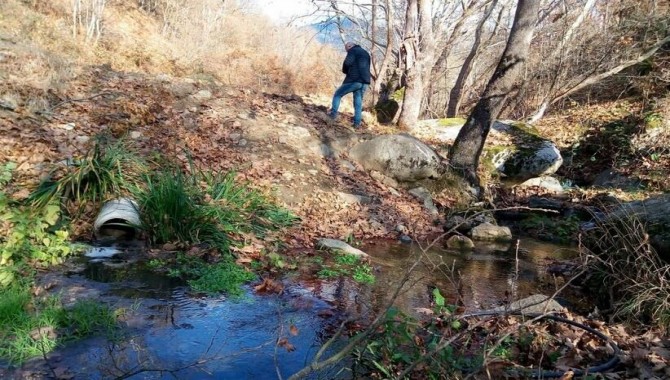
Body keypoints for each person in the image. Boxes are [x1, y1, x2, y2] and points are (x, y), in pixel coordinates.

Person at [329, 41, 371, 129]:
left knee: (338, 94)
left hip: (354, 79)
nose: (347, 51)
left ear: (349, 46)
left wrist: (345, 71)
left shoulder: (353, 50)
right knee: (358, 103)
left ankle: (332, 115)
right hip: (365, 81)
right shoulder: (366, 53)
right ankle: (357, 123)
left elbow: (347, 63)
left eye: (346, 49)